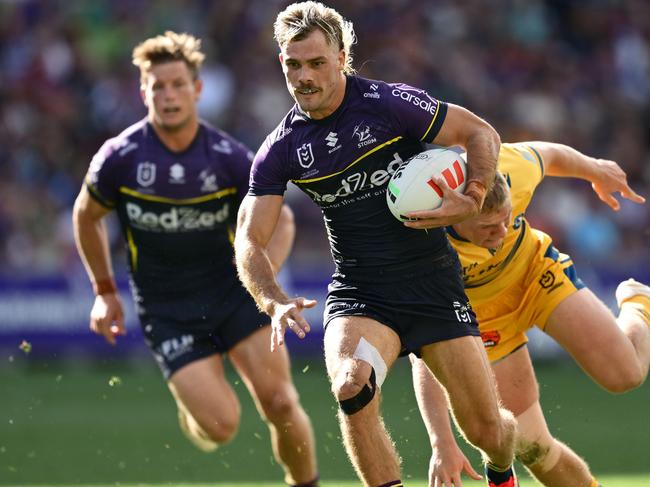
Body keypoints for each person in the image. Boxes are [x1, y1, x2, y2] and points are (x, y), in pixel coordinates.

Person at [234, 3, 519, 486]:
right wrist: (273, 301)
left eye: (316, 63)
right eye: (292, 65)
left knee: (488, 430)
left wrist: (472, 198)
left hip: (432, 282)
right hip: (362, 293)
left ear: (341, 58)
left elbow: (478, 133)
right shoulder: (280, 149)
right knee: (351, 386)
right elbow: (249, 239)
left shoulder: (388, 104)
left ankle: (501, 474)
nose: (304, 76)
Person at [72, 31, 319, 487]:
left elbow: (280, 221)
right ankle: (198, 405)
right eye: (157, 86)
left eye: (178, 84)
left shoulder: (227, 157)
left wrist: (262, 290)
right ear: (143, 91)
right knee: (221, 427)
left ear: (197, 89)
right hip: (168, 311)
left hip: (234, 297)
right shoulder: (119, 158)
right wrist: (104, 293)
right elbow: (86, 216)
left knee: (281, 403)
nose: (168, 95)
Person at [410, 141, 649, 486]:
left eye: (507, 219)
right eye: (489, 229)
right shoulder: (422, 247)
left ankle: (639, 302)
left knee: (624, 375)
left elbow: (549, 155)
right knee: (533, 449)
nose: (502, 232)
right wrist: (441, 441)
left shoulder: (510, 169)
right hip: (480, 317)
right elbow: (428, 353)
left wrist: (595, 168)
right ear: (456, 217)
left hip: (534, 273)